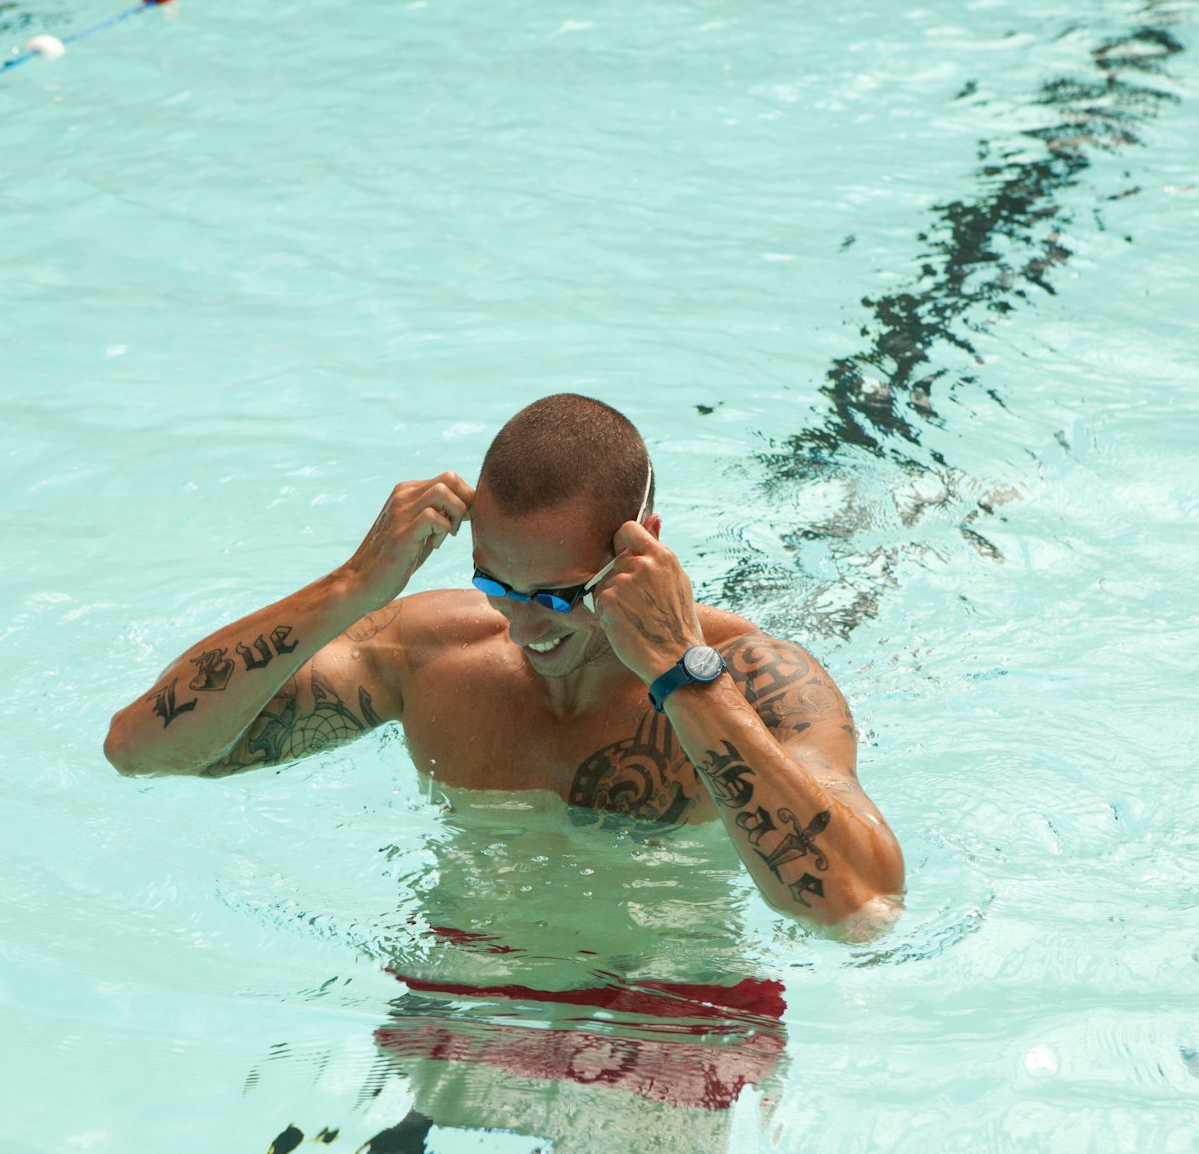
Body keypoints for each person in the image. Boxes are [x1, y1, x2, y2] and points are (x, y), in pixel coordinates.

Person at [104, 393, 904, 931]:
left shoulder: (756, 678)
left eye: (559, 594)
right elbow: (143, 752)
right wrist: (350, 586)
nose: (524, 625)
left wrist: (675, 672)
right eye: (496, 584)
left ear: (641, 544)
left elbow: (862, 910)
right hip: (465, 994)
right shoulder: (426, 657)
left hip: (672, 1013)